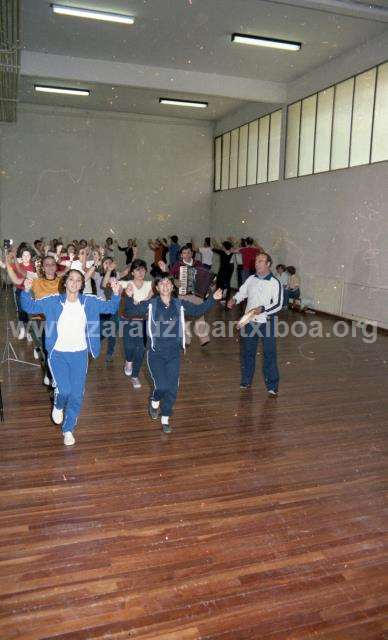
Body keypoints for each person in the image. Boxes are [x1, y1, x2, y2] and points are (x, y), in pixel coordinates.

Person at [21, 270, 122, 446]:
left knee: (77, 394)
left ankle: (68, 429)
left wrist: (116, 294)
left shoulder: (89, 301)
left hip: (80, 354)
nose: (75, 283)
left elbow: (111, 308)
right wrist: (25, 290)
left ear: (82, 284)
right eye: (71, 279)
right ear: (65, 282)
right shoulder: (52, 300)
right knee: (65, 390)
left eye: (78, 280)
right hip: (58, 354)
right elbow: (29, 307)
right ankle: (58, 405)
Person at [125, 275, 222, 433]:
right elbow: (130, 311)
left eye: (168, 283)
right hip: (155, 353)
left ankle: (165, 419)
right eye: (161, 283)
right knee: (161, 385)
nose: (164, 285)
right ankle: (155, 400)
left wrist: (213, 298)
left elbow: (198, 310)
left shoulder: (179, 304)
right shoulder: (151, 304)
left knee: (172, 388)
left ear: (172, 287)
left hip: (174, 353)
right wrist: (128, 297)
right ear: (157, 288)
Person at [228, 252, 283, 397]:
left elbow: (278, 304)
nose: (257, 263)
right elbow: (242, 292)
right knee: (247, 353)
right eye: (256, 261)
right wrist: (234, 299)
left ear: (268, 264)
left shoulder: (275, 283)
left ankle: (272, 385)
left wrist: (263, 309)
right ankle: (246, 381)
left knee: (269, 354)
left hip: (267, 323)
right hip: (250, 322)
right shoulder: (251, 279)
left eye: (261, 261)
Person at [168, 245, 212, 346]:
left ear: (192, 253)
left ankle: (204, 338)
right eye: (184, 253)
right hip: (183, 294)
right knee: (185, 317)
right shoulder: (177, 265)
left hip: (198, 294)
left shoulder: (198, 264)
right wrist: (175, 281)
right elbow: (170, 276)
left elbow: (205, 276)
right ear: (181, 255)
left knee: (200, 315)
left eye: (188, 253)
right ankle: (186, 339)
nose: (186, 255)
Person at [122, 259, 153, 388]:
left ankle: (135, 376)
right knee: (129, 347)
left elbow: (167, 282)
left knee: (141, 350)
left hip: (145, 321)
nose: (140, 272)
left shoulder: (150, 284)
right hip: (129, 321)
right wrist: (118, 275)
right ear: (132, 272)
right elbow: (107, 283)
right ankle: (128, 361)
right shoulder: (127, 283)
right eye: (137, 270)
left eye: (143, 269)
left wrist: (147, 298)